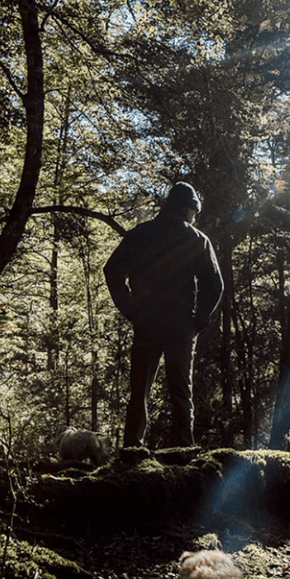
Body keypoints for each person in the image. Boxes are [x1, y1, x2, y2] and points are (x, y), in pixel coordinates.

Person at [104, 182, 224, 447]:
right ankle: (183, 450)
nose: (195, 216)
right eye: (195, 211)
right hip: (181, 326)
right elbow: (214, 285)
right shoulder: (196, 239)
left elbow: (112, 271)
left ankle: (133, 450)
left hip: (146, 322)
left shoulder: (140, 234)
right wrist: (199, 320)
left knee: (139, 393)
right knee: (181, 392)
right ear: (186, 208)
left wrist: (130, 309)